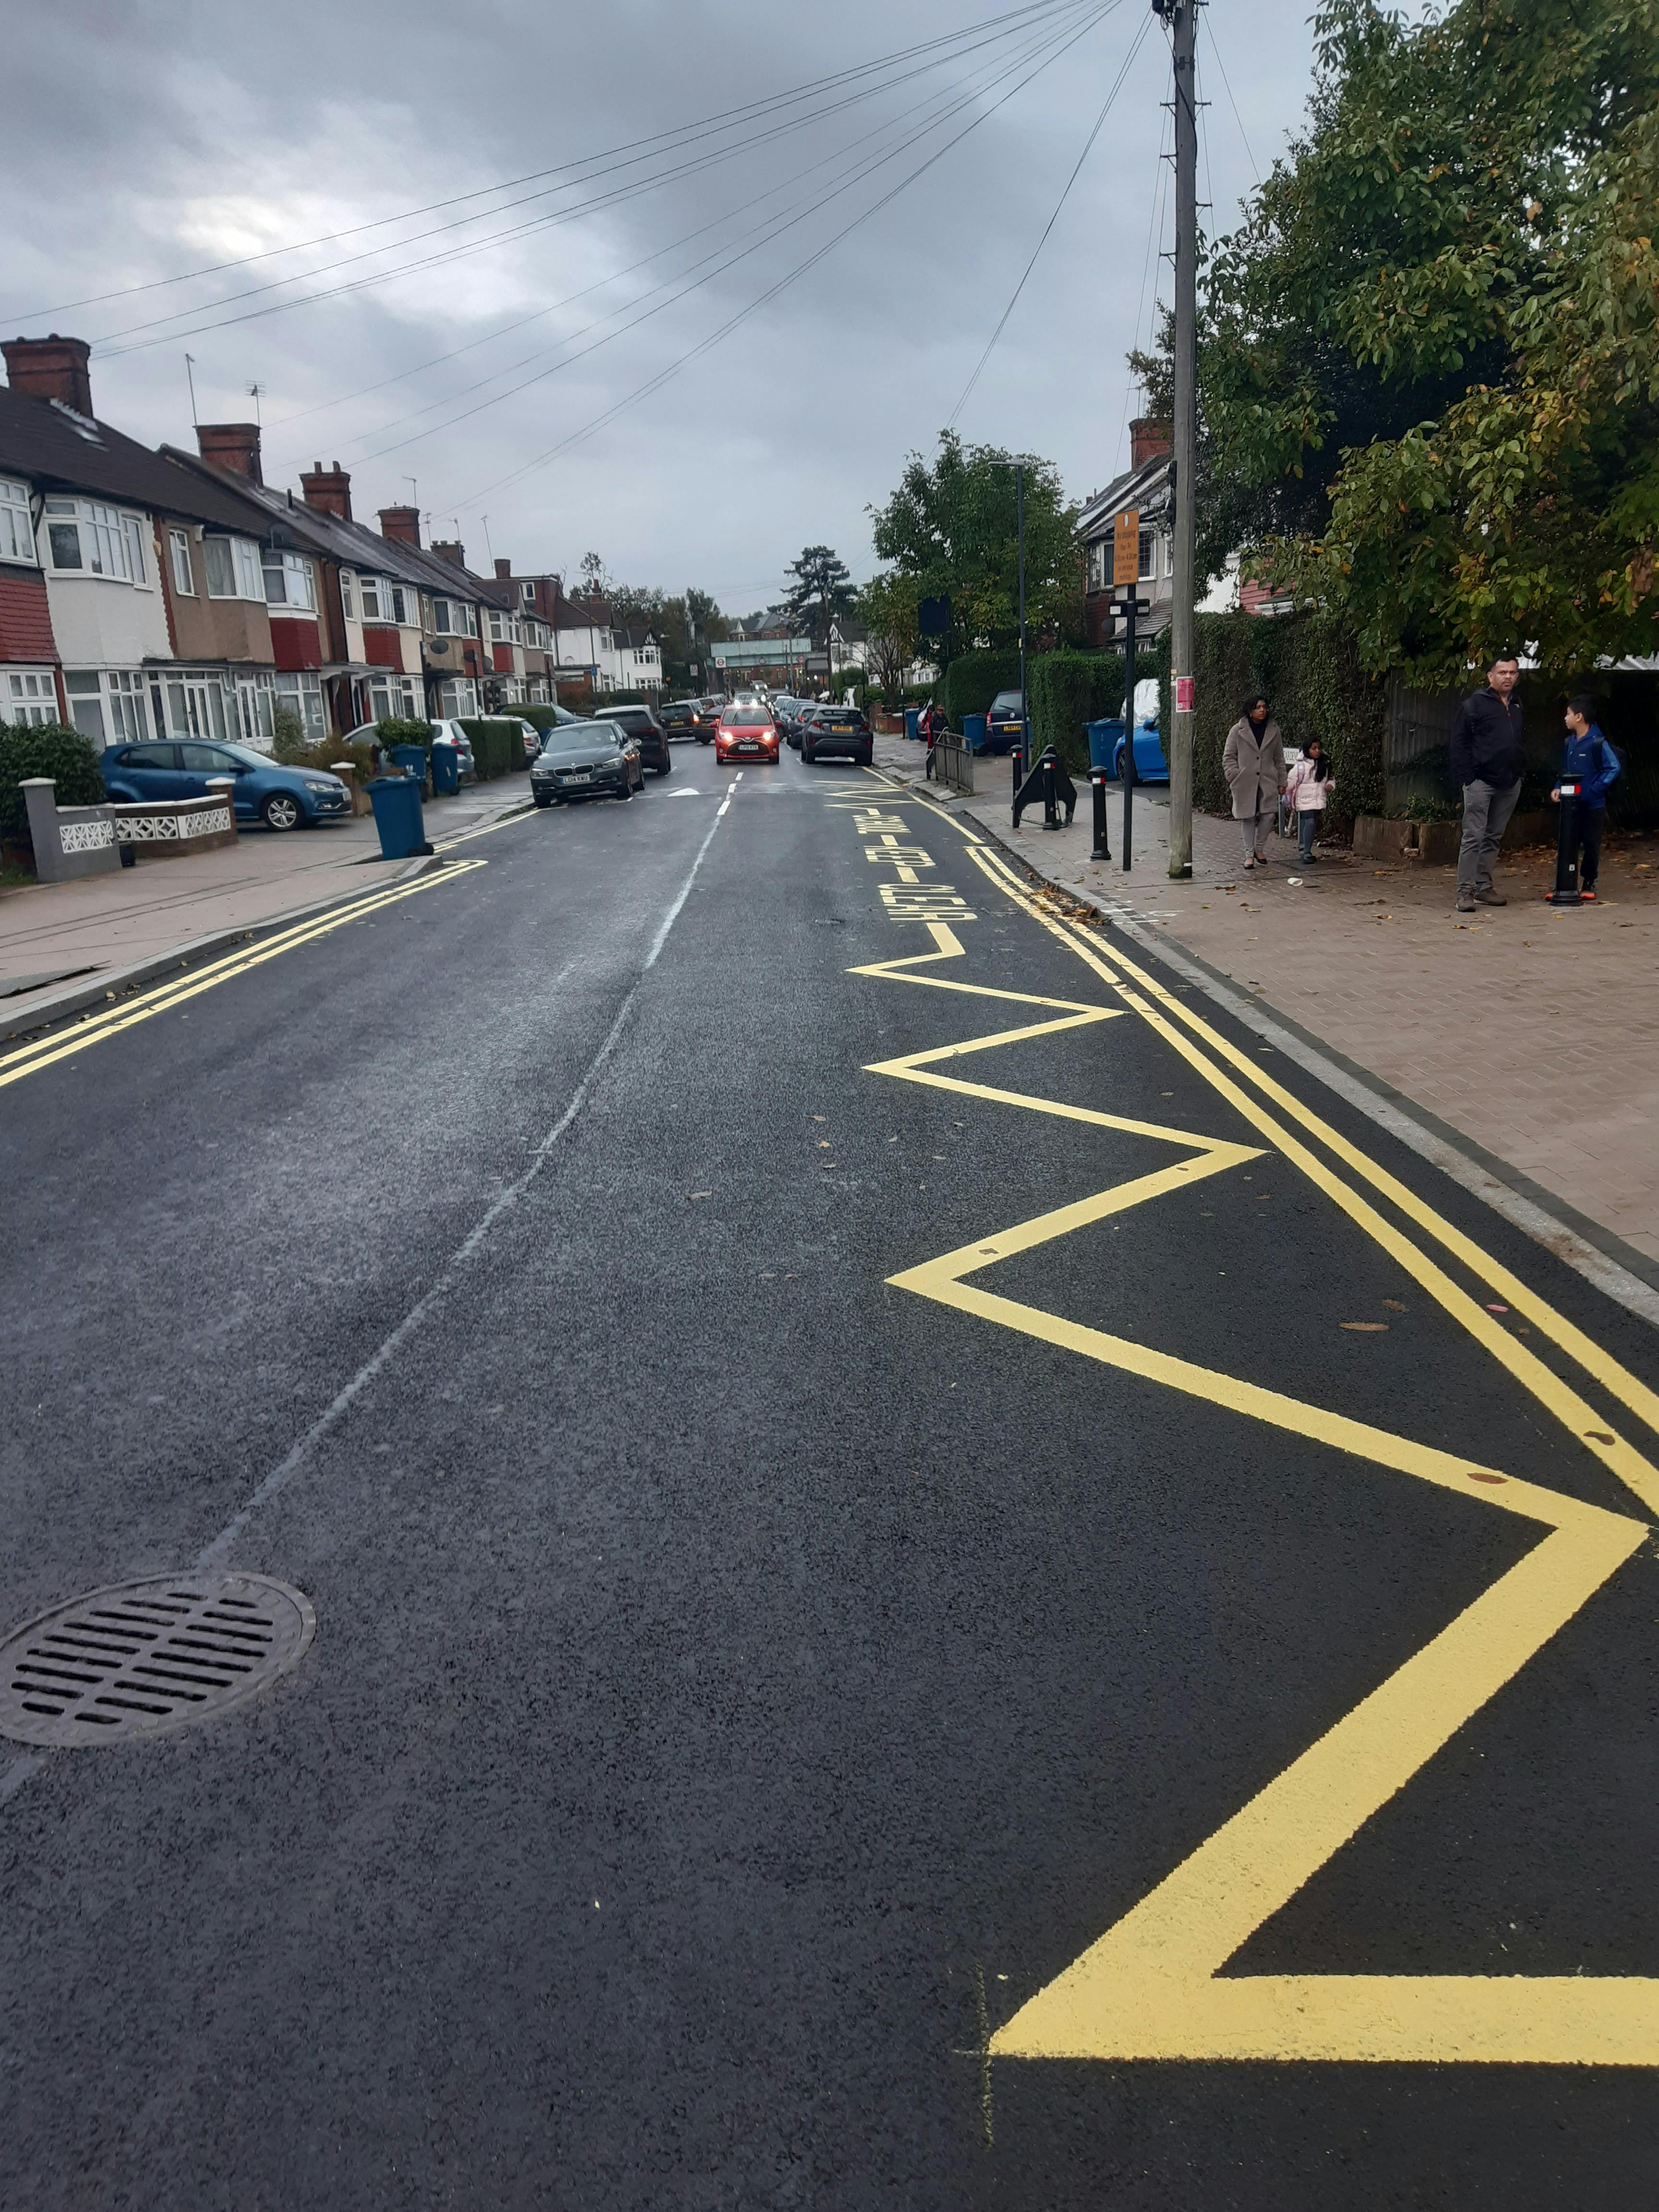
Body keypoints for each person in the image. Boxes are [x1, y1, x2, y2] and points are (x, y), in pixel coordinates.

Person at [1451, 652, 1524, 912]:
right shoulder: (1474, 705)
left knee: (1494, 836)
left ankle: (1483, 887)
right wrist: (1469, 779)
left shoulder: (1516, 705)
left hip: (1510, 782)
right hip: (1481, 782)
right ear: (1490, 676)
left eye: (1512, 672)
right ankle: (1465, 892)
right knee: (1473, 836)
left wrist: (1519, 774)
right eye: (1502, 672)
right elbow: (1459, 744)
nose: (1508, 677)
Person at [1552, 695, 1621, 901]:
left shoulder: (1598, 743)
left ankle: (1589, 881)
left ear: (1579, 717)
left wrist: (1593, 790)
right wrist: (1558, 787)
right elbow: (1565, 770)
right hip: (1571, 804)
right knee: (1568, 842)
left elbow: (1613, 768)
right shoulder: (1569, 742)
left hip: (1593, 805)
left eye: (1569, 714)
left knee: (1591, 845)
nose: (1566, 718)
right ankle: (1567, 881)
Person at [1222, 694, 1287, 869]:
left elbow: (1279, 758)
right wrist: (1234, 775)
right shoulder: (1238, 730)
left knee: (1269, 815)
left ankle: (1260, 848)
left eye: (1264, 707)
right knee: (1248, 816)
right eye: (1258, 707)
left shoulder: (1274, 730)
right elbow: (1229, 756)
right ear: (1251, 711)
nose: (1262, 710)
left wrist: (1283, 781)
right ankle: (1249, 855)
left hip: (1268, 779)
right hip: (1245, 780)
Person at [1284, 736, 1334, 863]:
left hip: (1318, 801)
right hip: (1304, 801)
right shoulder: (1300, 767)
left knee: (1311, 825)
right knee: (1310, 823)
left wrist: (1330, 785)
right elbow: (1290, 782)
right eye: (1314, 748)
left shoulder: (1325, 764)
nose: (1317, 751)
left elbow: (1331, 779)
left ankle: (1305, 849)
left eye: (1319, 748)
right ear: (1307, 750)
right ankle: (1306, 852)